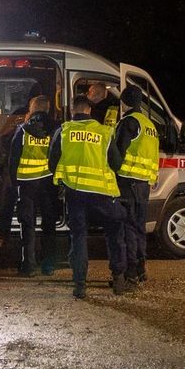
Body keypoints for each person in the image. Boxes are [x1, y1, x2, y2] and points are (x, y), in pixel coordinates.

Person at [50, 95, 128, 299]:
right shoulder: (104, 132)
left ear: (72, 110)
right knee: (114, 233)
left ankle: (80, 285)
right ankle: (119, 278)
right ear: (89, 111)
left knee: (78, 237)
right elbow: (117, 164)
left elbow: (52, 163)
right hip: (103, 195)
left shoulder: (64, 131)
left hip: (75, 194)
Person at [113, 85, 160, 285]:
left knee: (128, 229)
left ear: (124, 102)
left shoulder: (129, 122)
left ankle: (130, 272)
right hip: (143, 185)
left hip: (128, 182)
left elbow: (118, 152)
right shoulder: (150, 125)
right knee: (139, 227)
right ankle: (141, 269)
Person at [9, 96, 58, 276]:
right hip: (48, 184)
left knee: (27, 225)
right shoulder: (55, 129)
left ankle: (28, 265)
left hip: (26, 184)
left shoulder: (22, 130)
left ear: (33, 108)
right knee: (49, 225)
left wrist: (15, 184)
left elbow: (13, 159)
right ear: (47, 108)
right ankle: (48, 265)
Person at [0, 105, 27, 248]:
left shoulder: (32, 124)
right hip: (13, 167)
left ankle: (4, 234)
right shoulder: (18, 118)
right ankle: (3, 233)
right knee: (7, 202)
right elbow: (2, 138)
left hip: (24, 169)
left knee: (10, 202)